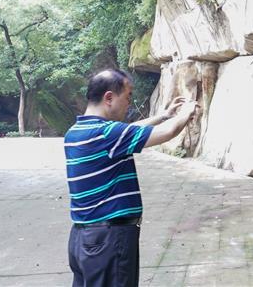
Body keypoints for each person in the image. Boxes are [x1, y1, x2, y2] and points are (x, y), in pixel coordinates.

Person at [64, 69, 200, 286]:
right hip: (109, 240)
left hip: (83, 240)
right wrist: (187, 111)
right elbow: (168, 132)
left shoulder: (75, 132)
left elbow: (126, 130)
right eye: (127, 97)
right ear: (109, 98)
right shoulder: (107, 134)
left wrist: (163, 115)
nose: (129, 103)